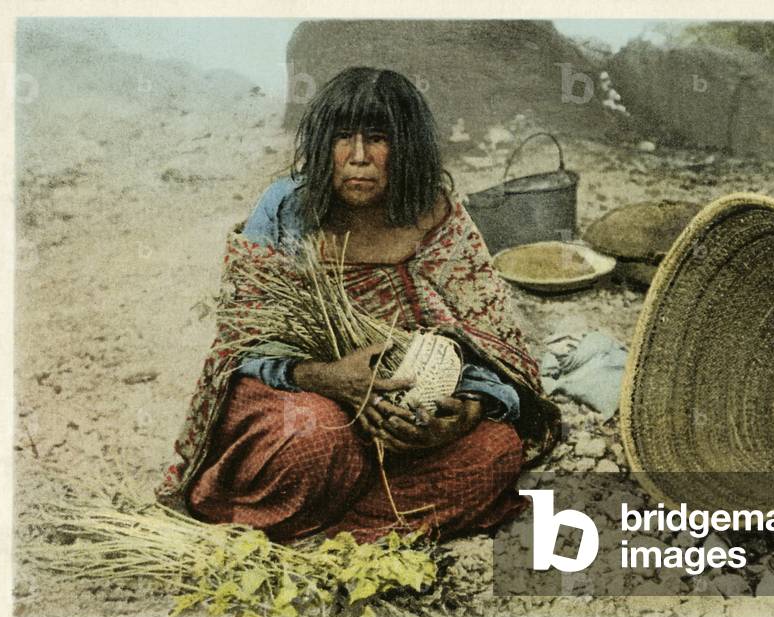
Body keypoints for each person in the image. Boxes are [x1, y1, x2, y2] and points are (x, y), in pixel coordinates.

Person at [157, 67, 559, 544]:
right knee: (319, 436)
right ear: (323, 145)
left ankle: (334, 534)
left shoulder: (437, 218)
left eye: (379, 139)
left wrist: (466, 410)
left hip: (400, 424)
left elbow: (489, 346)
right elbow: (243, 345)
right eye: (343, 138)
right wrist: (329, 380)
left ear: (407, 149)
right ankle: (299, 505)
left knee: (497, 449)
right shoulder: (288, 211)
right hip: (297, 397)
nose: (359, 158)